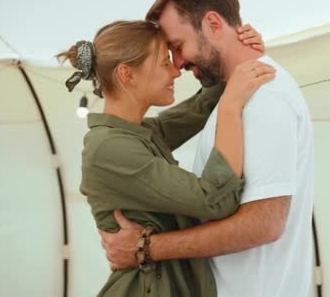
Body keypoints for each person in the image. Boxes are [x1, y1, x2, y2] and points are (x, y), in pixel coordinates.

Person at [100, 0, 315, 297]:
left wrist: (147, 248)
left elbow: (265, 223)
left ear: (213, 24)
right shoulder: (238, 94)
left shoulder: (265, 96)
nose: (178, 64)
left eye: (178, 45)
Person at [59, 19, 274, 296]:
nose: (176, 71)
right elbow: (213, 200)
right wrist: (231, 107)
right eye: (164, 63)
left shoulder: (137, 133)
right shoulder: (110, 149)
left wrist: (238, 53)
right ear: (127, 75)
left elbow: (199, 108)